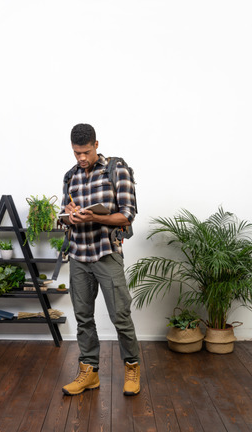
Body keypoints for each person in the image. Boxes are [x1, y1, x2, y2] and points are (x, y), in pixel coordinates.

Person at [60, 123, 140, 396]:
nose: (81, 158)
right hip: (78, 256)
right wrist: (69, 214)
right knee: (83, 318)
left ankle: (132, 367)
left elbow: (127, 215)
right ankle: (89, 372)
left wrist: (94, 216)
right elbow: (64, 216)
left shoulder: (117, 171)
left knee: (120, 315)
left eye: (84, 152)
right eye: (75, 153)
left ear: (96, 144)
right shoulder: (70, 176)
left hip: (106, 254)